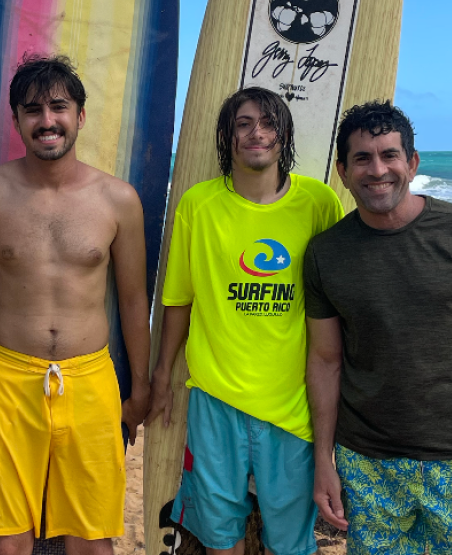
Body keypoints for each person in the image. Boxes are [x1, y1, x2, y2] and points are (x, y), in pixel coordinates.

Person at [0, 55, 151, 555]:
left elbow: (134, 297)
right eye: (32, 110)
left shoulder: (118, 199)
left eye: (59, 106)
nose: (47, 120)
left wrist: (139, 386)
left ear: (80, 115)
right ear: (15, 120)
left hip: (91, 381)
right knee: (6, 542)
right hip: (10, 381)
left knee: (91, 541)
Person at [304, 101, 452, 555]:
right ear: (343, 171)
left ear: (412, 163)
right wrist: (323, 461)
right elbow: (325, 360)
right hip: (369, 463)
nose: (377, 170)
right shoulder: (325, 254)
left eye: (389, 155)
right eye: (362, 159)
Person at [148, 87, 343, 555]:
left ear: (284, 135)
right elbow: (178, 299)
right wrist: (161, 374)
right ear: (227, 137)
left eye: (269, 123)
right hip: (215, 399)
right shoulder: (198, 205)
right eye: (243, 124)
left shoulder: (318, 203)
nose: (257, 133)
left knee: (291, 544)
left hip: (293, 407)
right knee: (220, 537)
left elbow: (339, 302)